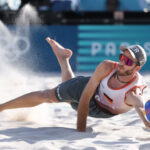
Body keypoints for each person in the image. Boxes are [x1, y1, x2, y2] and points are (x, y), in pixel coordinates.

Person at [0, 37, 150, 132]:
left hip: (101, 111)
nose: (122, 62)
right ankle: (1, 107)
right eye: (122, 57)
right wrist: (81, 130)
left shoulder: (133, 94)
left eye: (128, 61)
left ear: (136, 68)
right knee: (48, 96)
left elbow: (142, 111)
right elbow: (85, 95)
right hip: (88, 90)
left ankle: (63, 59)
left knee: (67, 94)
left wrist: (147, 122)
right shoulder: (107, 67)